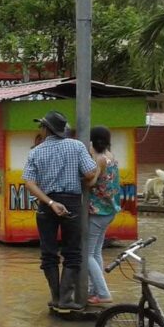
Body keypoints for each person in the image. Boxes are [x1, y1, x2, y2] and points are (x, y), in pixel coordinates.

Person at [22, 110, 99, 310]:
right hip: (72, 202)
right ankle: (66, 299)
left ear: (46, 129)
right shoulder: (76, 146)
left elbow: (29, 183)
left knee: (48, 252)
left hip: (46, 205)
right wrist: (95, 167)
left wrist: (49, 203)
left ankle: (56, 298)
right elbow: (90, 173)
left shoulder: (35, 152)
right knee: (72, 251)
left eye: (41, 126)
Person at [86, 126, 120, 305]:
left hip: (99, 212)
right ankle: (95, 291)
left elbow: (91, 182)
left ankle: (103, 293)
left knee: (87, 254)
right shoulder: (111, 156)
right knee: (96, 251)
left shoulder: (99, 159)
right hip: (110, 210)